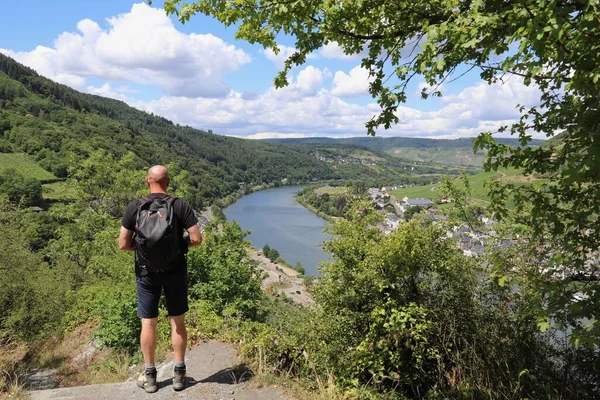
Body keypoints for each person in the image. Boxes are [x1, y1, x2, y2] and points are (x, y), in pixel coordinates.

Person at [119, 165, 202, 393]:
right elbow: (196, 239)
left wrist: (143, 249)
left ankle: (151, 377)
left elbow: (123, 244)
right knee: (177, 321)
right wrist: (177, 246)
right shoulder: (179, 205)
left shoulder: (135, 207)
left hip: (146, 273)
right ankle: (178, 374)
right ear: (168, 182)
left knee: (148, 323)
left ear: (148, 180)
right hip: (175, 270)